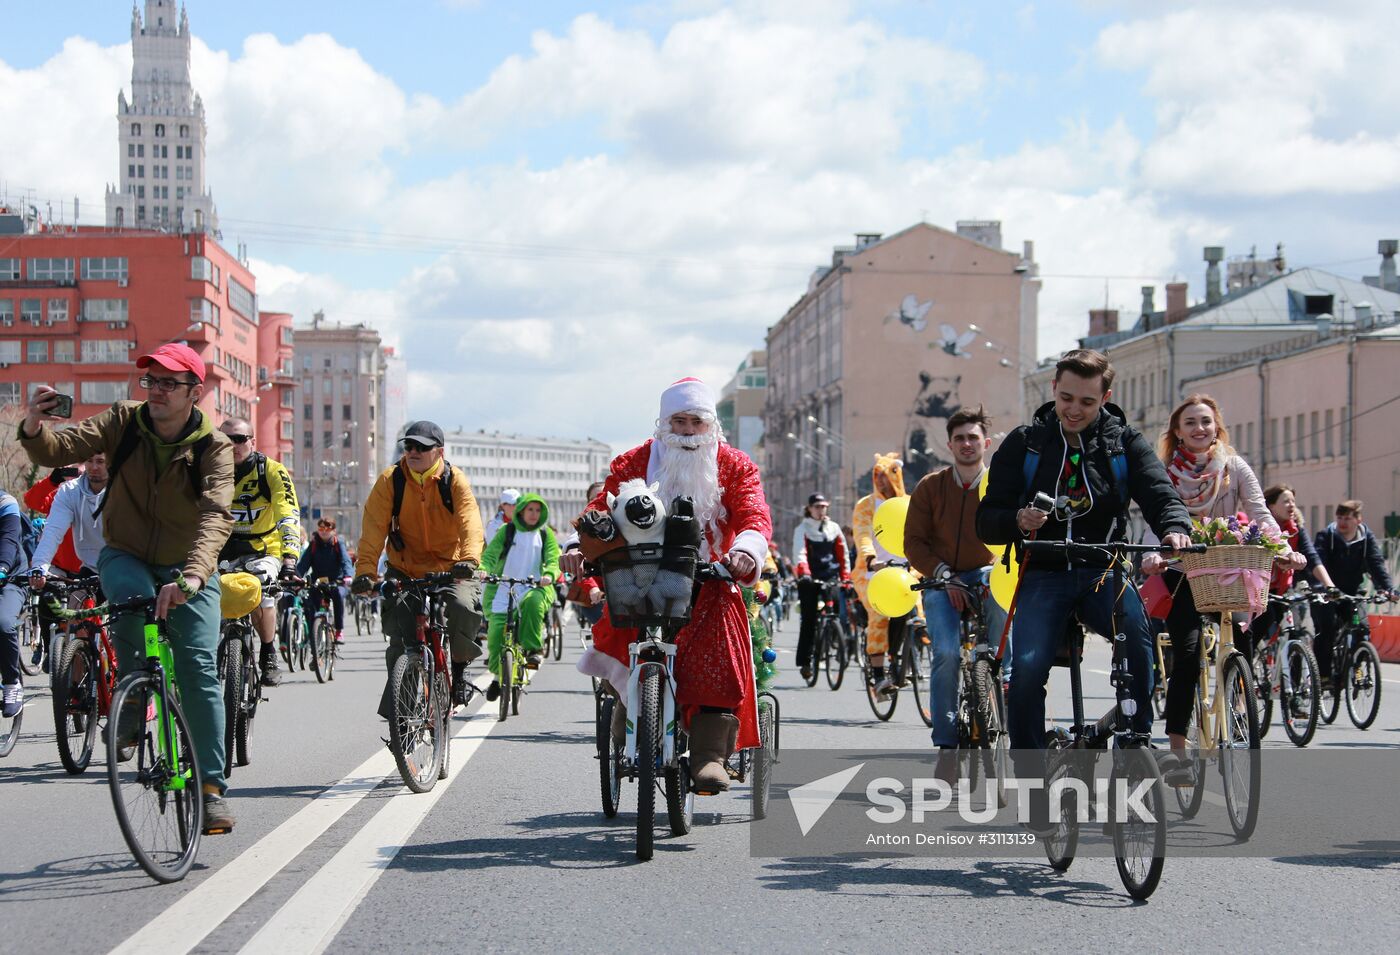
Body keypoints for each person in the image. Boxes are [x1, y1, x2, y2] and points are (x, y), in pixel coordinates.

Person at [18, 343, 237, 834]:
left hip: (189, 563)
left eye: (169, 383)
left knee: (198, 667)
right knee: (128, 607)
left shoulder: (213, 447)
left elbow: (216, 516)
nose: (156, 391)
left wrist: (195, 576)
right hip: (126, 553)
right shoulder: (123, 421)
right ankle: (133, 697)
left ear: (194, 393)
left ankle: (212, 788)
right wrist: (34, 426)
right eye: (151, 381)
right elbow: (60, 449)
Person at [977, 349, 1192, 831]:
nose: (1074, 409)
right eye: (1066, 397)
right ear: (1053, 388)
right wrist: (1016, 519)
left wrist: (1175, 527)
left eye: (1087, 402)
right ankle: (1033, 781)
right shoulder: (1026, 443)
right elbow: (986, 520)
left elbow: (1159, 493)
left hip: (1103, 568)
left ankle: (1135, 742)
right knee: (1027, 669)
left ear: (1106, 399)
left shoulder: (1123, 443)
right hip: (1043, 572)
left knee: (1138, 639)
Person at [565, 377, 770, 793]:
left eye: (697, 421)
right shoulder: (635, 460)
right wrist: (577, 542)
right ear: (663, 424)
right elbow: (600, 506)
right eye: (679, 421)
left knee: (722, 657)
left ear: (710, 424)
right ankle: (631, 712)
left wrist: (747, 549)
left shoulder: (735, 464)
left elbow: (753, 513)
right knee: (623, 642)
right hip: (639, 576)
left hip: (712, 579)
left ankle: (710, 757)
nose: (688, 431)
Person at [1140, 394, 1300, 782]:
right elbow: (1154, 517)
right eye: (1191, 422)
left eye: (1206, 422)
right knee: (1189, 655)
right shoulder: (1165, 472)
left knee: (1243, 642)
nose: (1200, 429)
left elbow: (1261, 513)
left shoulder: (1234, 467)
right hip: (1183, 571)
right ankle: (1177, 751)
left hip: (1230, 570)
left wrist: (1283, 550)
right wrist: (1153, 555)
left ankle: (1239, 701)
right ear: (1177, 431)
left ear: (1217, 427)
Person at [905, 406, 1007, 780]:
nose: (967, 444)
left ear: (986, 443)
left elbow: (1015, 534)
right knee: (946, 653)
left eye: (973, 438)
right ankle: (947, 746)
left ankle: (1002, 697)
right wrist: (944, 574)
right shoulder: (931, 487)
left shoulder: (1000, 486)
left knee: (1000, 651)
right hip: (940, 577)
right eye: (960, 438)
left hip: (986, 575)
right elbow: (913, 542)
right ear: (949, 444)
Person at [353, 420, 485, 709]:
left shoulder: (455, 480)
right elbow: (373, 529)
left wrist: (469, 559)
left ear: (439, 452)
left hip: (453, 567)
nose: (412, 452)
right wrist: (365, 572)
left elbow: (470, 523)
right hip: (406, 567)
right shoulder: (391, 480)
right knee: (401, 637)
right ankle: (402, 713)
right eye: (408, 446)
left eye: (421, 448)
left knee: (463, 607)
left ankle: (460, 671)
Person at [216, 417, 301, 687]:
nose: (232, 444)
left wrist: (290, 559)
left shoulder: (272, 471)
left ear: (252, 441)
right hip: (220, 547)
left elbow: (288, 514)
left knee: (264, 595)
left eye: (239, 439)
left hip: (264, 548)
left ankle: (268, 652)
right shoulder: (209, 470)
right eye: (225, 439)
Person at [26, 457, 108, 670]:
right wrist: (52, 480)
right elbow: (42, 516)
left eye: (100, 461)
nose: (92, 469)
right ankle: (75, 695)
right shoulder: (66, 493)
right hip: (72, 569)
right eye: (87, 462)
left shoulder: (123, 489)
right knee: (73, 621)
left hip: (113, 565)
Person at [851, 453, 923, 697]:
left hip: (905, 571)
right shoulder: (866, 505)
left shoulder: (911, 504)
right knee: (880, 613)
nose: (881, 482)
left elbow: (922, 538)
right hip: (872, 573)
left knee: (917, 610)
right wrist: (871, 559)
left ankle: (902, 656)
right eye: (877, 477)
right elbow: (861, 535)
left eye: (886, 476)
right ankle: (879, 676)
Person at [480, 493, 560, 699]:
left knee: (533, 603)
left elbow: (553, 559)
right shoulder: (506, 531)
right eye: (530, 509)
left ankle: (533, 650)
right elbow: (490, 555)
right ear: (521, 511)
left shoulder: (545, 534)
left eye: (538, 510)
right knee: (497, 634)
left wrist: (549, 575)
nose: (534, 514)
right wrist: (483, 569)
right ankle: (498, 677)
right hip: (503, 588)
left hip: (534, 586)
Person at [1311, 500, 1398, 688]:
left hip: (1352, 592)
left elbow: (1376, 564)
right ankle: (1324, 676)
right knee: (1327, 627)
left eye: (1348, 518)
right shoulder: (1326, 536)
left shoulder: (1366, 538)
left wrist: (1389, 589)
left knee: (1362, 628)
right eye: (1340, 517)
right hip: (1328, 592)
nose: (1342, 522)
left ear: (1358, 520)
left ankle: (1357, 669)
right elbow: (1318, 562)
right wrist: (1323, 588)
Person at [790, 493, 849, 682]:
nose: (821, 510)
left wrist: (845, 576)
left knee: (836, 612)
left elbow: (843, 553)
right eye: (817, 507)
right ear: (809, 509)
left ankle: (834, 637)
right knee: (809, 619)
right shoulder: (803, 529)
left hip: (830, 575)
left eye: (823, 506)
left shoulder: (834, 528)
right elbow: (800, 552)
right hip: (810, 578)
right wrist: (804, 573)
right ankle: (806, 662)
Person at [297, 518, 354, 642]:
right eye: (321, 529)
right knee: (311, 601)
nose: (323, 532)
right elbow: (303, 564)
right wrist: (296, 576)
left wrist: (348, 576)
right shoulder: (314, 544)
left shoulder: (338, 543)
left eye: (327, 529)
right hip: (318, 582)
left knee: (338, 594)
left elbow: (345, 560)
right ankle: (314, 636)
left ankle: (339, 630)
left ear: (333, 531)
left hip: (337, 582)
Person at [1, 490, 30, 718]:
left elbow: (9, 541)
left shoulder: (5, 503)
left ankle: (12, 683)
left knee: (2, 622)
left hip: (10, 578)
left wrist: (1, 568)